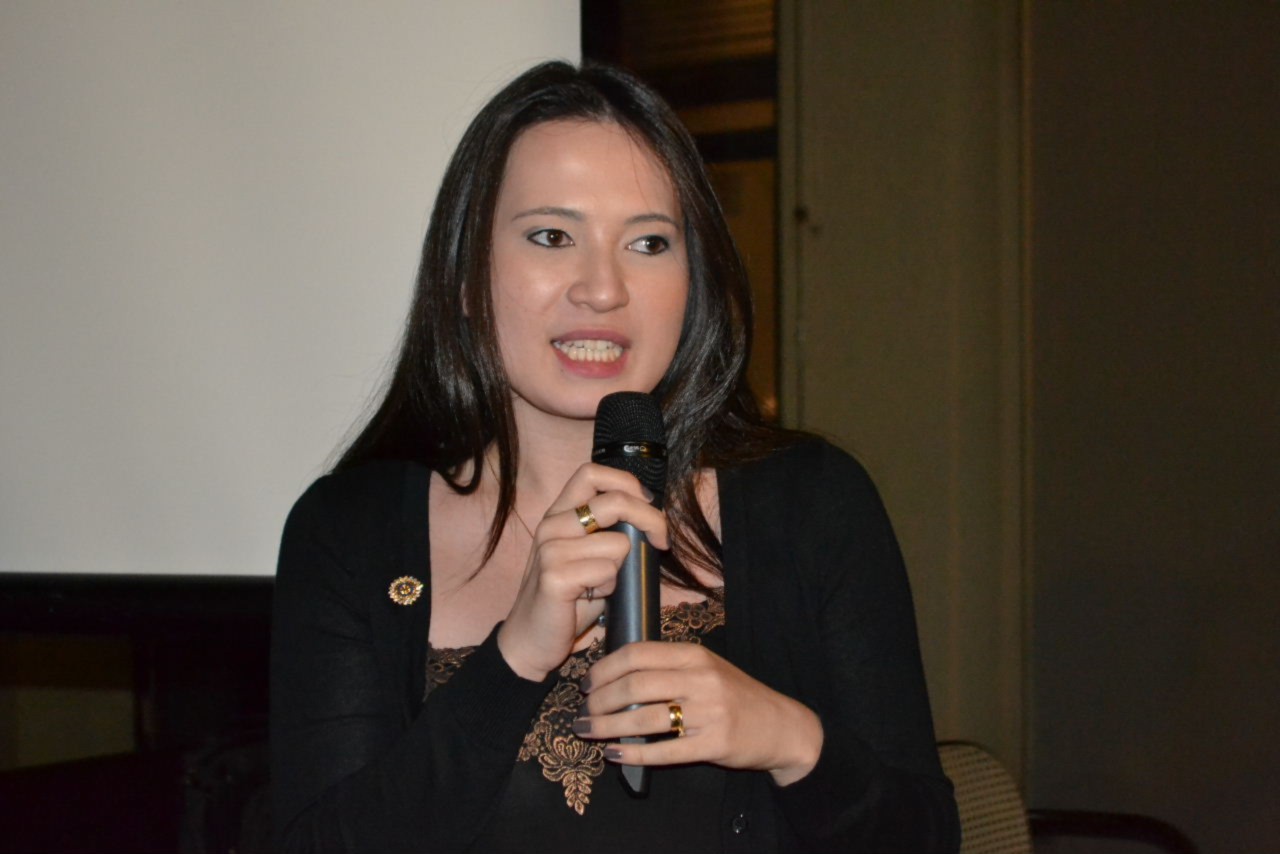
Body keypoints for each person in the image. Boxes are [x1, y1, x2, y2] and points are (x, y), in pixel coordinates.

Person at [270, 60, 959, 854]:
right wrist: (513, 659)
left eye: (649, 242)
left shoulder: (812, 504)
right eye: (551, 237)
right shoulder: (348, 532)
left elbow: (925, 838)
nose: (603, 288)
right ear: (464, 276)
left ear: (694, 282)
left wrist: (789, 741)